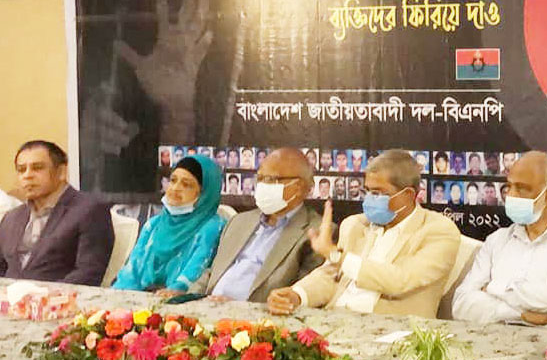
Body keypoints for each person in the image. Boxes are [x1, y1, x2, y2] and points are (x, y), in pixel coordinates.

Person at [268, 150, 460, 317]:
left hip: (391, 331)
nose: (370, 199)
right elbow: (330, 275)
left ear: (408, 195)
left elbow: (400, 280)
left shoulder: (439, 231)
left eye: (378, 193)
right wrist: (297, 295)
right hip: (335, 319)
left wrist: (337, 256)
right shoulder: (355, 225)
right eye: (367, 191)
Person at [453, 152, 547, 329]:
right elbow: (461, 304)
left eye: (522, 188)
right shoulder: (497, 240)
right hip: (496, 339)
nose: (511, 195)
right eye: (509, 186)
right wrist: (518, 315)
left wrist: (493, 288)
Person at [188, 148, 324, 302]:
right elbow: (212, 273)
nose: (262, 185)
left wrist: (235, 307)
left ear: (298, 187)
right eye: (260, 178)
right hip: (207, 307)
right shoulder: (238, 221)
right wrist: (186, 302)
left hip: (254, 313)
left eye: (271, 179)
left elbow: (300, 295)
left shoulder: (317, 232)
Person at [0, 141, 113, 285]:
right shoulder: (12, 218)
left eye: (37, 168)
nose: (27, 175)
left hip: (59, 297)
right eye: (21, 170)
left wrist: (44, 295)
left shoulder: (89, 210)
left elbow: (88, 273)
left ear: (61, 172)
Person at [113, 155, 226, 292]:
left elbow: (194, 273)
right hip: (140, 298)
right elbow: (132, 271)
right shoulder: (153, 225)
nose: (175, 188)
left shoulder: (213, 227)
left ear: (204, 193)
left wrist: (173, 292)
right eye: (173, 180)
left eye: (186, 184)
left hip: (182, 300)